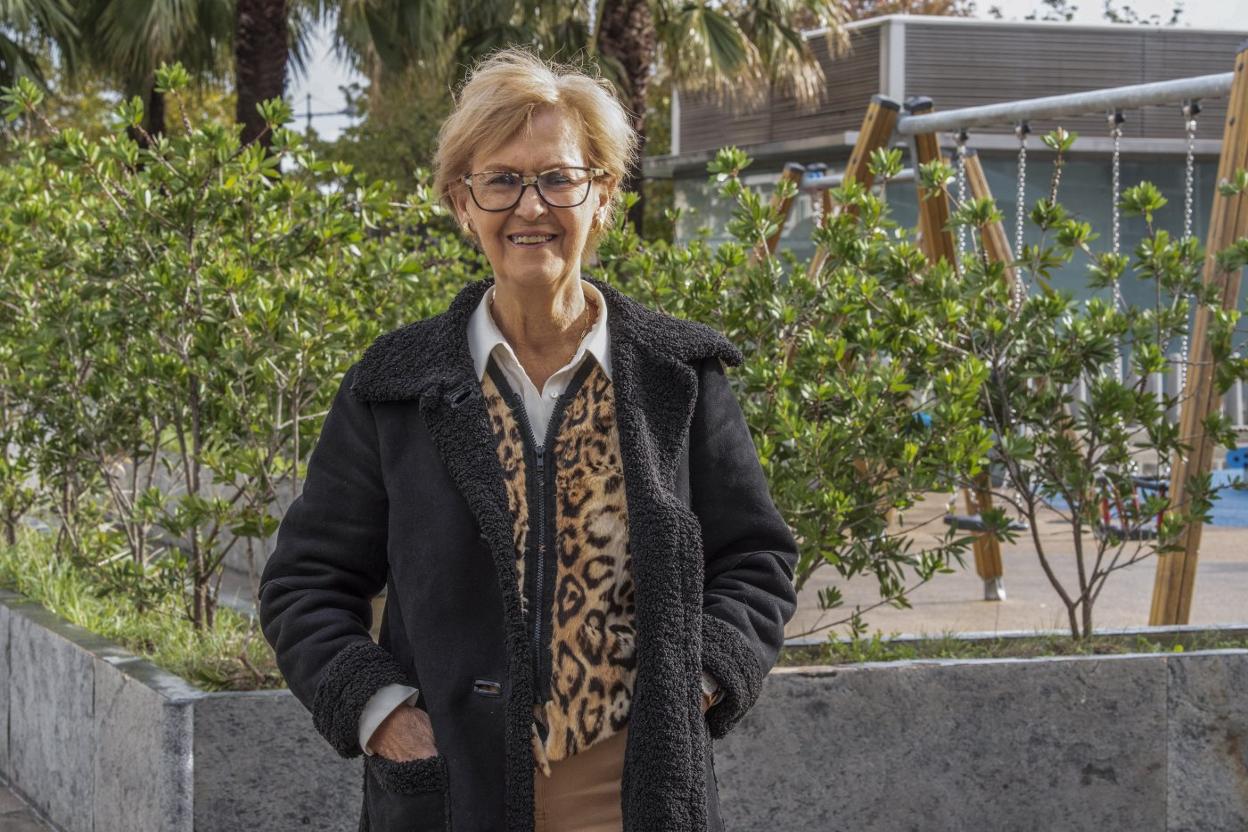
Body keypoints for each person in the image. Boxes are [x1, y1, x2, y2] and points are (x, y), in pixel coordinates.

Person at [258, 45, 799, 832]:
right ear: (461, 202)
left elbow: (757, 558)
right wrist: (383, 717)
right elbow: (305, 583)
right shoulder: (396, 387)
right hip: (449, 793)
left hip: (634, 796)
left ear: (604, 196)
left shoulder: (677, 374)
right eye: (501, 180)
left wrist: (701, 680)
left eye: (559, 178)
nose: (531, 207)